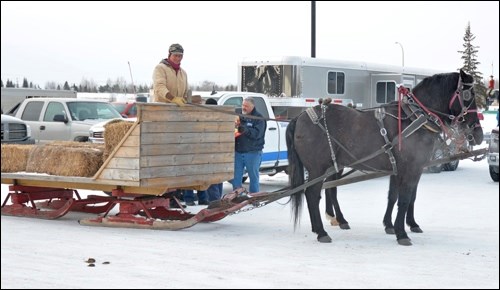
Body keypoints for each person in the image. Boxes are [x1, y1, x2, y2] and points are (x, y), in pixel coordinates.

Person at [232, 97, 266, 194]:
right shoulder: (239, 116)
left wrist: (245, 130)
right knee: (236, 178)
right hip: (238, 152)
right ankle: (236, 197)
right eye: (243, 105)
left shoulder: (259, 118)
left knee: (253, 177)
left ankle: (254, 197)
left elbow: (257, 134)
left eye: (246, 106)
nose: (244, 108)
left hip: (252, 153)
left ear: (252, 106)